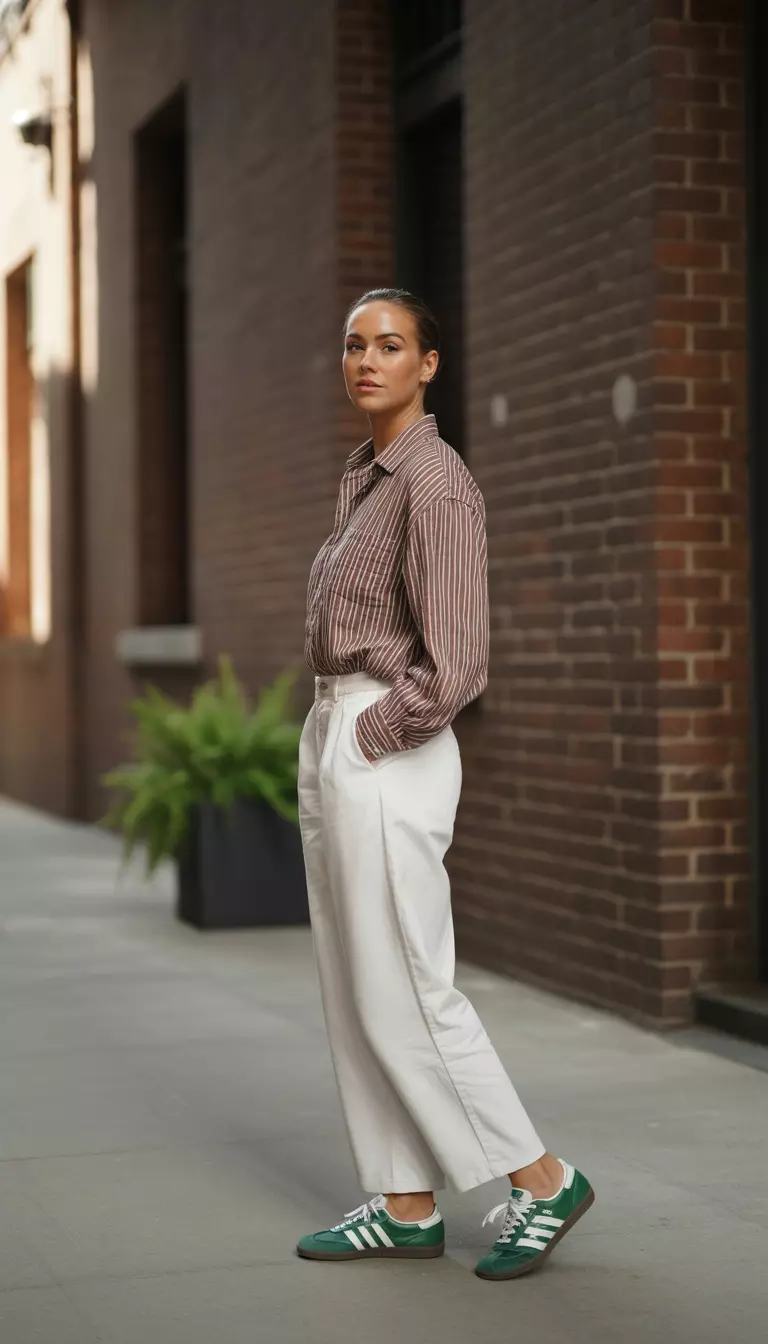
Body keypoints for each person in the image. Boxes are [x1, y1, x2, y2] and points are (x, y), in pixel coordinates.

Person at [296, 288, 594, 1281]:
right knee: (356, 984)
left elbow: (458, 660)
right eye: (353, 345)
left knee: (410, 989)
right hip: (340, 728)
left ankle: (543, 1179)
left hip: (389, 745)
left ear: (429, 365)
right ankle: (405, 1199)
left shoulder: (437, 482)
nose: (366, 360)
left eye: (390, 345)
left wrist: (378, 732)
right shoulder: (367, 475)